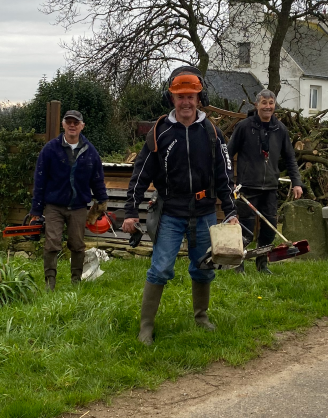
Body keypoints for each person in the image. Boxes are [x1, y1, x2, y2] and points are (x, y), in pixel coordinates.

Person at [121, 66, 238, 346]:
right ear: (171, 98)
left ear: (200, 98)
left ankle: (201, 318)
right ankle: (145, 327)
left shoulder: (212, 133)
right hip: (170, 212)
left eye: (191, 96)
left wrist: (231, 211)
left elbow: (225, 176)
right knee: (160, 268)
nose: (186, 102)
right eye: (180, 96)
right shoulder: (159, 133)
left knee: (203, 267)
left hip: (205, 211)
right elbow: (140, 174)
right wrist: (129, 211)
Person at [30, 110, 109, 291]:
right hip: (54, 206)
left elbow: (97, 178)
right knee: (52, 243)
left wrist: (102, 201)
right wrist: (36, 210)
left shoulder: (90, 152)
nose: (72, 125)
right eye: (69, 122)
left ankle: (76, 283)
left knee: (77, 244)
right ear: (63, 125)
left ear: (82, 126)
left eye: (76, 122)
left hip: (79, 206)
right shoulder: (50, 149)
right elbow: (40, 179)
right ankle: (50, 284)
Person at [227, 89, 303, 274]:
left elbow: (290, 157)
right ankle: (239, 264)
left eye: (271, 103)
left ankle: (262, 264)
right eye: (264, 103)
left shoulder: (280, 129)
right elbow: (227, 155)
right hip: (247, 186)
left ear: (274, 106)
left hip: (270, 186)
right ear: (256, 105)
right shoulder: (244, 127)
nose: (268, 106)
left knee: (269, 227)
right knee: (245, 228)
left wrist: (297, 182)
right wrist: (229, 181)